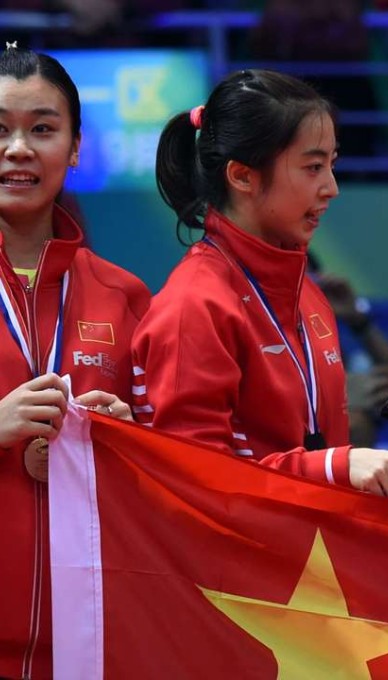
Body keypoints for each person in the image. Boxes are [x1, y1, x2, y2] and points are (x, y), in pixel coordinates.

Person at [131, 69, 388, 517]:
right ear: (242, 176)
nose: (331, 187)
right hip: (238, 579)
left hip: (312, 560)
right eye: (313, 166)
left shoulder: (309, 296)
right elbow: (191, 484)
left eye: (332, 164)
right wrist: (335, 466)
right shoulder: (192, 306)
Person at [0, 45, 150, 680]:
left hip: (90, 645)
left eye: (42, 128)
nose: (18, 149)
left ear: (76, 148)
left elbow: (169, 462)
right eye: (0, 130)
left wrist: (126, 442)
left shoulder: (125, 295)